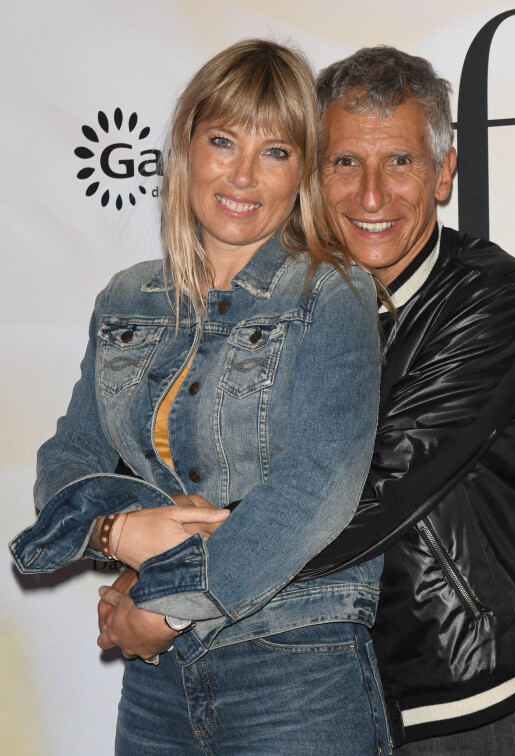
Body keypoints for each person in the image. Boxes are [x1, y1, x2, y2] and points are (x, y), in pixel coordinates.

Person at [9, 40, 388, 754]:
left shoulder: (331, 294)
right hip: (159, 684)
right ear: (185, 148)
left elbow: (314, 490)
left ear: (301, 172)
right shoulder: (127, 298)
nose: (242, 175)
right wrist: (116, 534)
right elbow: (69, 457)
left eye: (274, 152)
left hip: (295, 668)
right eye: (222, 141)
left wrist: (165, 604)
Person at [293, 45, 515, 754]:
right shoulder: (286, 303)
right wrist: (119, 537)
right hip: (305, 697)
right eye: (345, 162)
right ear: (314, 175)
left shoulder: (493, 297)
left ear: (443, 173)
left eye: (399, 162)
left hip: (454, 708)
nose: (371, 195)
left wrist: (183, 584)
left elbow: (377, 485)